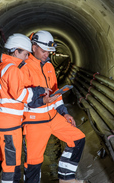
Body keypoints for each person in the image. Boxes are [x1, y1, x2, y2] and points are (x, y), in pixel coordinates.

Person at [0, 33, 51, 183]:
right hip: (9, 126)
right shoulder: (13, 70)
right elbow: (20, 95)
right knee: (11, 164)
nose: (26, 58)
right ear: (16, 51)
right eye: (25, 54)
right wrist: (39, 90)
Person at [22, 30, 87, 183]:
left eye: (49, 52)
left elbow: (55, 94)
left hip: (53, 117)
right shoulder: (24, 68)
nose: (47, 55)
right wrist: (42, 101)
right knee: (33, 164)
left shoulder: (49, 66)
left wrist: (64, 113)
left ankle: (66, 179)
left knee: (78, 139)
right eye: (44, 51)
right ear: (34, 47)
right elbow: (21, 98)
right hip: (34, 122)